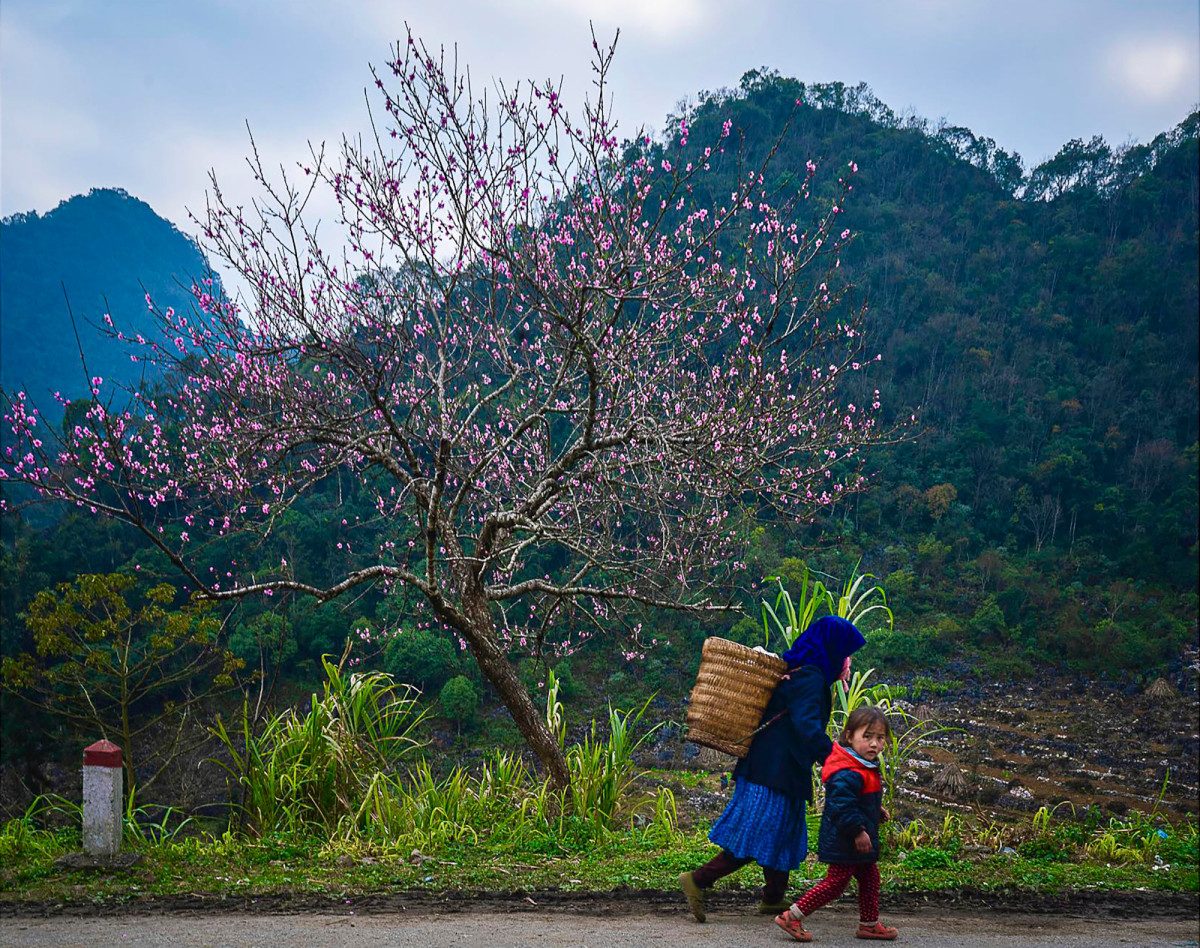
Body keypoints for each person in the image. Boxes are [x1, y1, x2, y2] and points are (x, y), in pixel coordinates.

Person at [679, 616, 866, 922]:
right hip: (772, 771)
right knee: (757, 834)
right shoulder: (811, 677)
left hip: (778, 768)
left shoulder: (802, 671)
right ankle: (698, 880)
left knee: (782, 833)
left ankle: (773, 897)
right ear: (833, 649)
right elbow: (807, 728)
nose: (848, 662)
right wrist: (836, 758)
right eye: (846, 653)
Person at [775, 704, 898, 941]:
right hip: (846, 840)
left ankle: (869, 924)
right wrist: (858, 831)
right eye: (867, 736)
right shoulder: (847, 771)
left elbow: (857, 799)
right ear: (850, 736)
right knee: (835, 883)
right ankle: (791, 916)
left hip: (855, 839)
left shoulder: (862, 766)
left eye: (880, 738)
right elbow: (841, 806)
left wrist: (874, 810)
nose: (874, 744)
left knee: (870, 877)